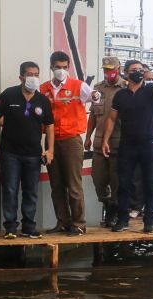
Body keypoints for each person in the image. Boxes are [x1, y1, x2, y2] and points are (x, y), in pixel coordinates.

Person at [0, 61, 55, 239]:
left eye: (36, 74)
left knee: (31, 191)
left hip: (33, 154)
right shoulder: (9, 95)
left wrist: (50, 150)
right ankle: (10, 227)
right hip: (10, 153)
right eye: (29, 74)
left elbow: (49, 126)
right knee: (10, 189)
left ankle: (28, 227)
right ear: (21, 77)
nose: (33, 78)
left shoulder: (43, 100)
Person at [101, 60, 153, 233]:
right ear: (126, 73)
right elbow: (111, 118)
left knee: (151, 182)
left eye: (140, 70)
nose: (138, 72)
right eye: (134, 70)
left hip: (150, 143)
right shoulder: (121, 95)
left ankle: (149, 220)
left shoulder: (149, 91)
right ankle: (123, 219)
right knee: (124, 183)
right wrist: (105, 140)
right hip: (127, 143)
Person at [39, 51, 99, 236]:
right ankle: (62, 222)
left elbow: (94, 96)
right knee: (56, 185)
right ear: (51, 67)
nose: (61, 71)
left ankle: (79, 224)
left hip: (72, 140)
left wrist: (96, 95)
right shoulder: (43, 89)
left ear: (69, 68)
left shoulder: (78, 86)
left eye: (65, 67)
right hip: (50, 141)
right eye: (58, 67)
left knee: (74, 184)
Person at [85, 56, 125, 227]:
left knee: (116, 179)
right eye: (106, 70)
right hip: (100, 142)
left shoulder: (125, 88)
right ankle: (107, 201)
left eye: (112, 69)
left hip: (119, 141)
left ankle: (114, 210)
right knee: (98, 177)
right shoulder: (98, 89)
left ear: (119, 68)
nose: (109, 73)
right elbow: (93, 115)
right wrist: (87, 137)